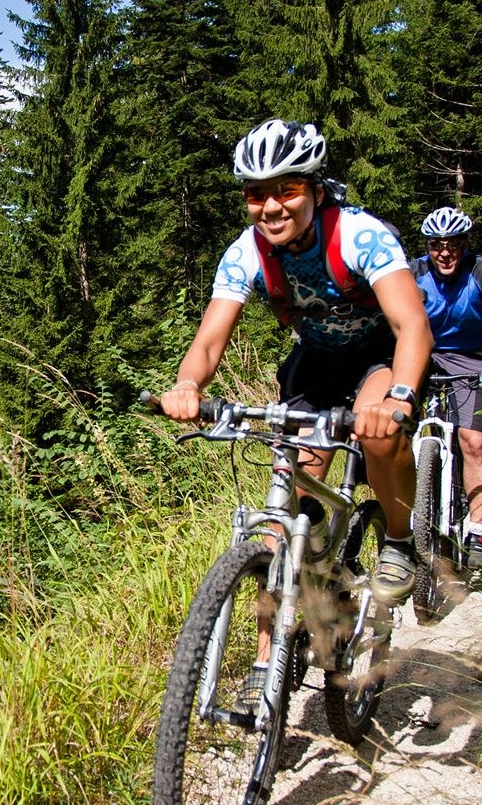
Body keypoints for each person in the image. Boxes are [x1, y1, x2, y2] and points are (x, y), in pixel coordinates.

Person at [160, 119, 433, 624]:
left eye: (286, 190)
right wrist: (187, 384)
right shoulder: (246, 253)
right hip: (315, 362)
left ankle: (398, 538)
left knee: (378, 433)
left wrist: (398, 397)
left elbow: (412, 323)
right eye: (256, 194)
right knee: (283, 518)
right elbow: (210, 339)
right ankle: (269, 672)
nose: (270, 207)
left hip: (379, 355)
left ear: (314, 187)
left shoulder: (360, 234)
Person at [409, 206, 482, 563]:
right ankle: (402, 521)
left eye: (452, 244)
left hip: (472, 358)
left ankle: (477, 531)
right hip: (421, 353)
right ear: (428, 246)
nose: (444, 252)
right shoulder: (414, 271)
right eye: (436, 244)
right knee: (390, 428)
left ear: (464, 244)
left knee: (473, 440)